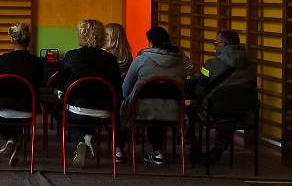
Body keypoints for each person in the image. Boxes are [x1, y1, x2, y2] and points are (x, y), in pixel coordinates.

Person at [121, 26, 193, 165]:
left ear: (151, 43)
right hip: (174, 111)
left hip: (143, 111)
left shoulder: (140, 60)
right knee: (160, 106)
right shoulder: (180, 60)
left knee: (152, 106)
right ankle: (157, 151)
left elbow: (126, 88)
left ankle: (153, 151)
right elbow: (190, 69)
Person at [55, 19, 122, 168]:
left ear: (83, 35)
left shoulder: (72, 56)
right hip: (104, 111)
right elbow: (117, 86)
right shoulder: (111, 59)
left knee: (59, 110)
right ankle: (86, 137)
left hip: (76, 109)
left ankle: (84, 137)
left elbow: (60, 81)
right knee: (83, 115)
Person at [189, 30, 257, 160]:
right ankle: (219, 148)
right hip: (241, 113)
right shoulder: (252, 66)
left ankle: (192, 146)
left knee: (192, 110)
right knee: (228, 107)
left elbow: (200, 91)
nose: (215, 47)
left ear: (224, 44)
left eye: (216, 43)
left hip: (213, 113)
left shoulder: (209, 65)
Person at [0, 22, 45, 165]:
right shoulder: (36, 62)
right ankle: (14, 139)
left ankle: (11, 138)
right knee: (19, 116)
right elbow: (40, 85)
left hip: (2, 110)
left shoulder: (2, 60)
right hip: (28, 111)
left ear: (12, 40)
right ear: (29, 40)